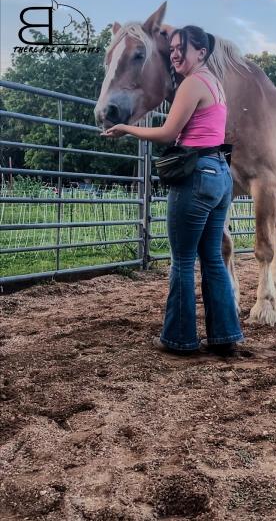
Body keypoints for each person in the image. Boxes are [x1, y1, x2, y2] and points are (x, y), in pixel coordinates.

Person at [101, 25, 244, 356]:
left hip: (196, 176)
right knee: (211, 258)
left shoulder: (193, 83)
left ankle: (179, 340)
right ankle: (225, 338)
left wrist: (126, 128)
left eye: (184, 48)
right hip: (220, 172)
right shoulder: (215, 83)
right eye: (174, 47)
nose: (176, 53)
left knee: (181, 260)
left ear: (202, 53)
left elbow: (168, 133)